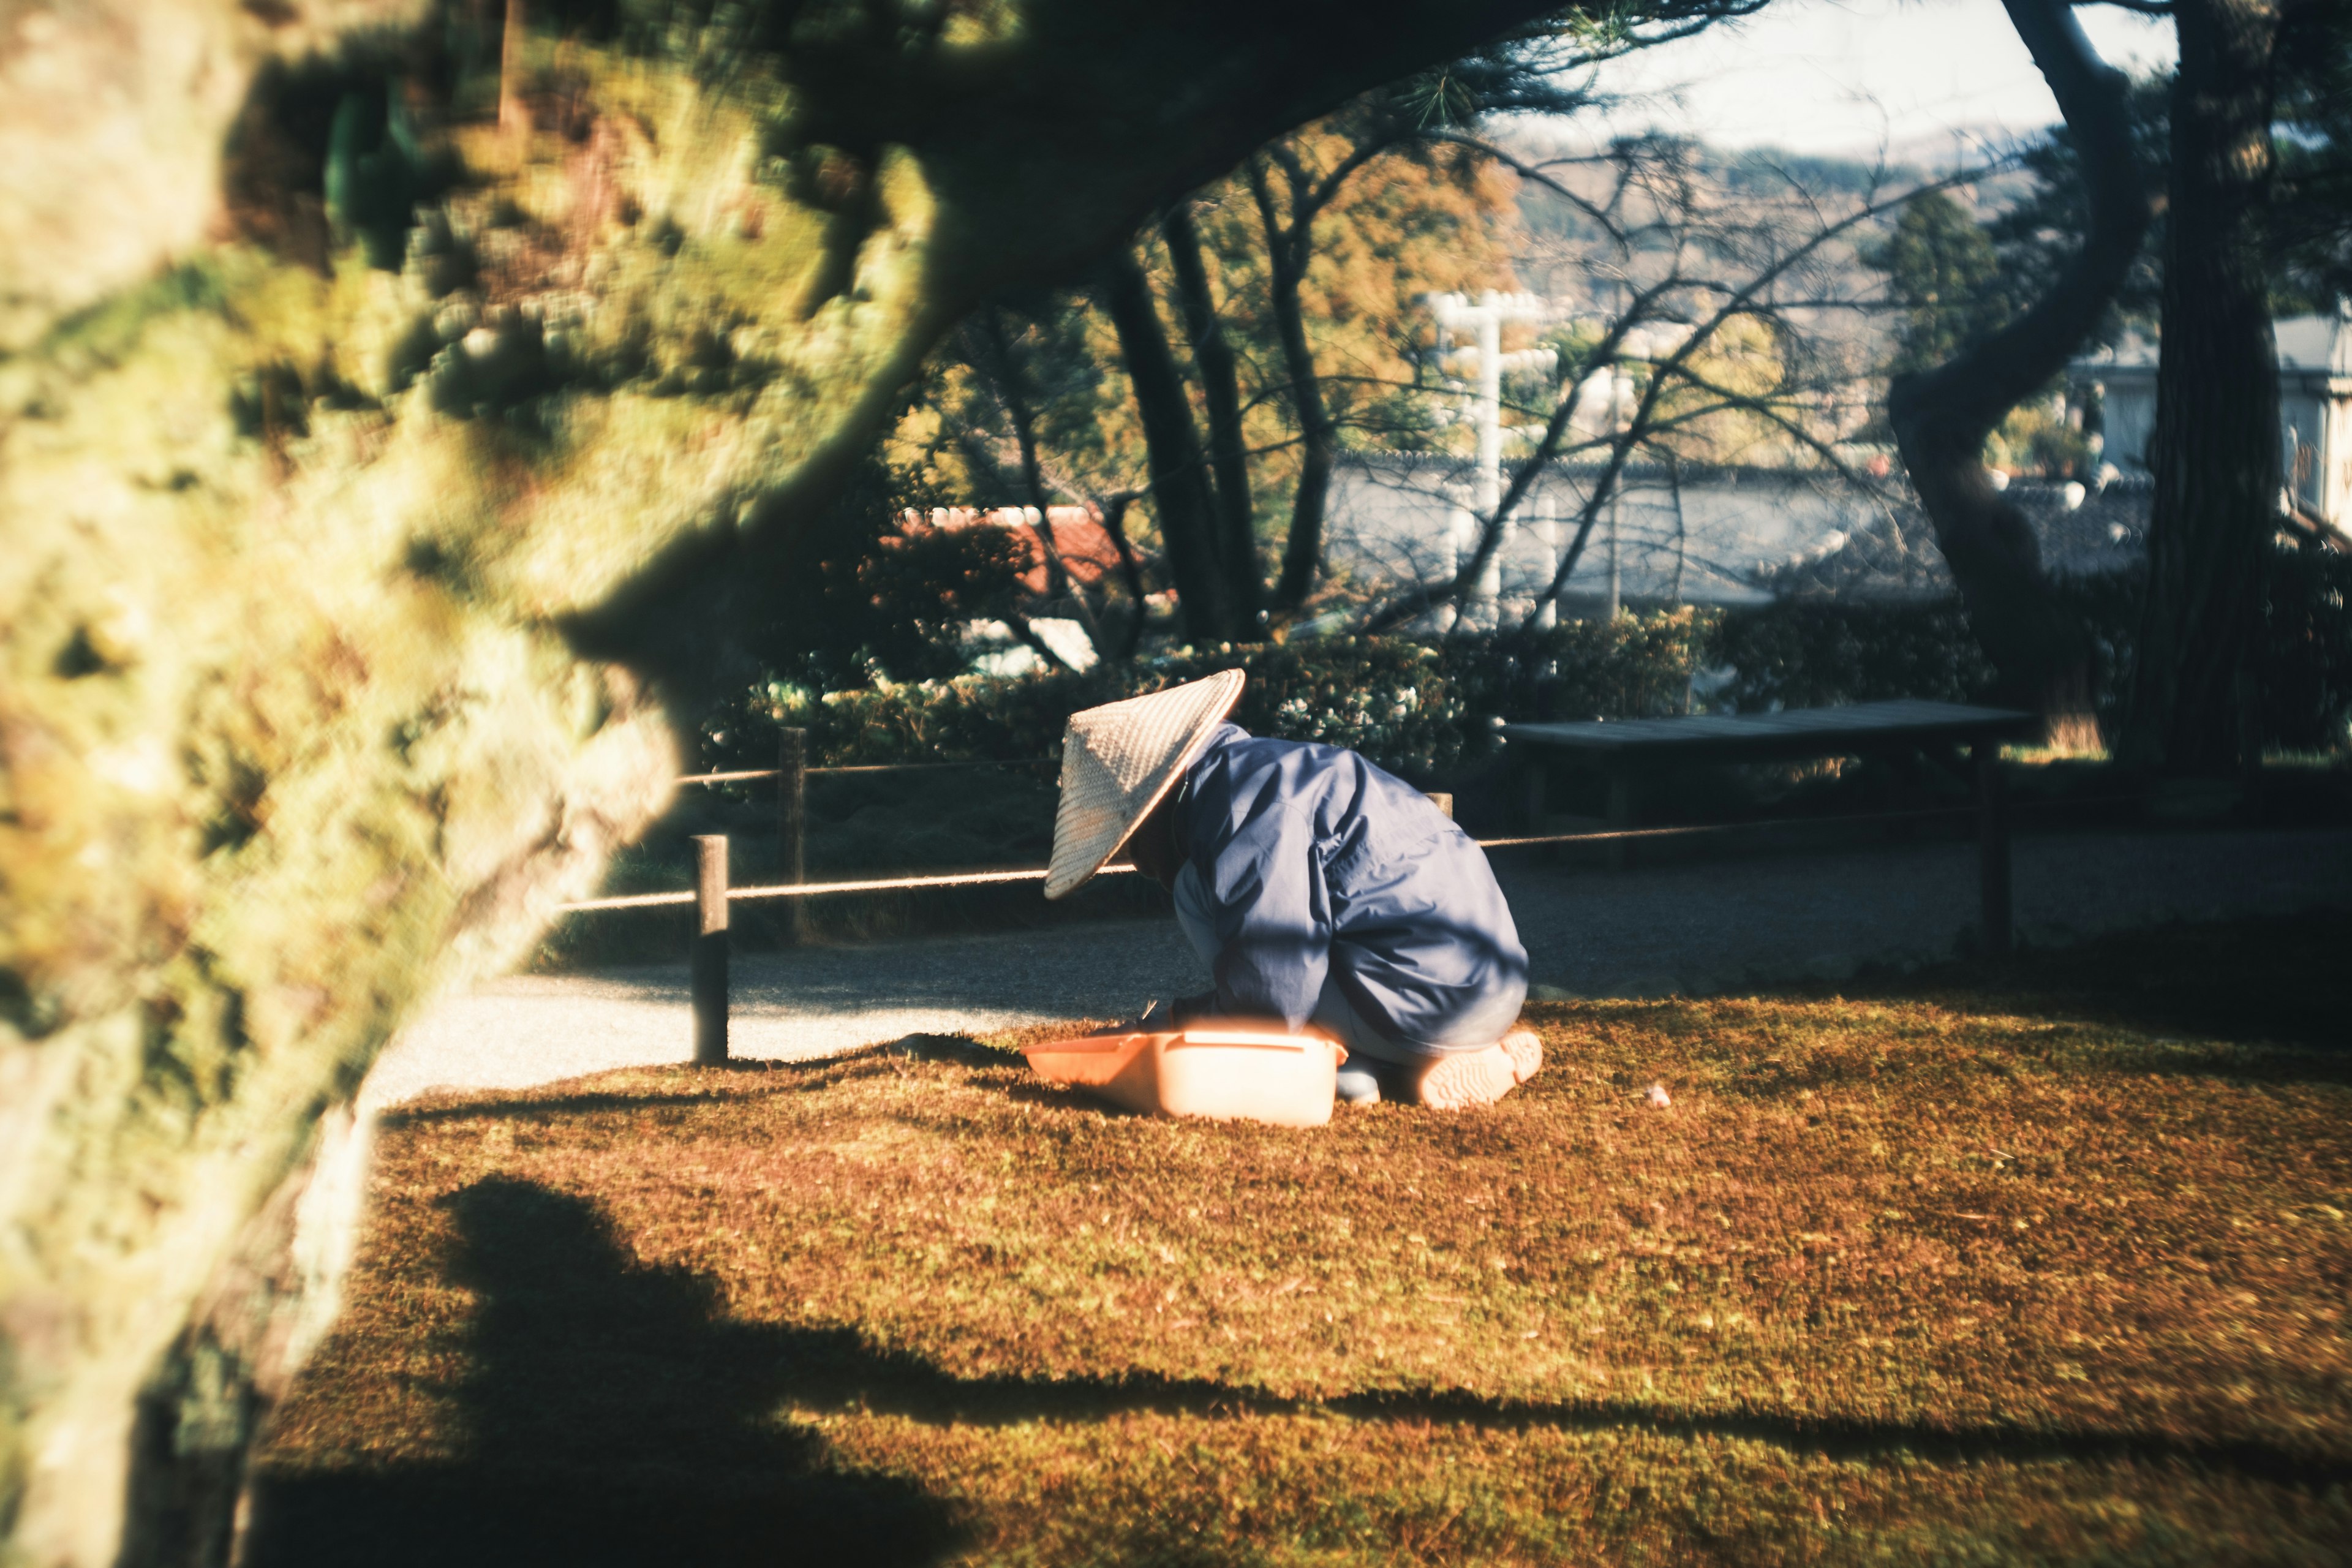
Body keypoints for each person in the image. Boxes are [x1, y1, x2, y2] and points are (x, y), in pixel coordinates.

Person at [1044, 669, 1540, 1108]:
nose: (1137, 863)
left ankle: (1342, 1065)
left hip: (1420, 999)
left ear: (1152, 804)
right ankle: (1410, 1064)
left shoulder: (1245, 809)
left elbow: (1273, 987)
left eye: (1129, 838)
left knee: (1194, 889)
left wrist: (1170, 1023)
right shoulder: (1273, 767)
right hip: (1492, 984)